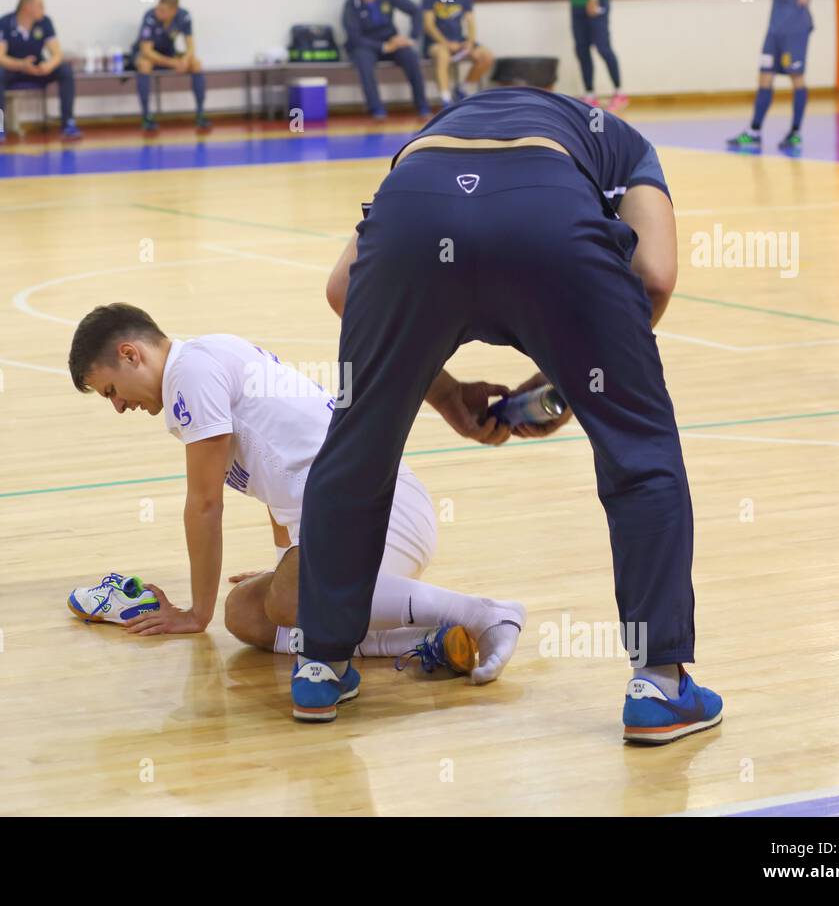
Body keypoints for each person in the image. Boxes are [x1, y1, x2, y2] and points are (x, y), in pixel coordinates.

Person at [292, 85, 724, 742]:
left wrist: (441, 392)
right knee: (640, 451)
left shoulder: (435, 133)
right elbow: (655, 278)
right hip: (545, 221)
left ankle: (320, 667)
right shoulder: (624, 141)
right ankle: (660, 685)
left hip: (418, 218)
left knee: (357, 448)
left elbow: (341, 289)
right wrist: (569, 385)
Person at [67, 304, 527, 719]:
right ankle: (430, 642)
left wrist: (195, 613)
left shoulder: (190, 377)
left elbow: (204, 504)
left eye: (110, 390)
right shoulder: (206, 358)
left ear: (130, 354)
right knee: (245, 614)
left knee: (288, 600)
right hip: (355, 514)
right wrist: (284, 560)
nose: (119, 406)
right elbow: (281, 474)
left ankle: (485, 614)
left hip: (382, 508)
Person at [727, 0, 839, 152]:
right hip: (775, 28)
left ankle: (795, 132)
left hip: (797, 27)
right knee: (765, 76)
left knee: (796, 76)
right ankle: (754, 131)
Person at [0, 0, 81, 144]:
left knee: (65, 70)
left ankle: (68, 123)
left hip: (37, 68)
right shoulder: (4, 23)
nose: (43, 8)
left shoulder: (45, 22)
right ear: (26, 6)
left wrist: (49, 65)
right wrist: (21, 64)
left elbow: (57, 53)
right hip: (13, 68)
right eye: (40, 5)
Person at [342, 0, 430, 119]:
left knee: (410, 56)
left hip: (391, 42)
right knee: (363, 61)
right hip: (365, 45)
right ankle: (376, 109)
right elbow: (354, 38)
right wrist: (383, 47)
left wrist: (411, 38)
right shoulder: (351, 4)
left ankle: (422, 106)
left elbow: (416, 10)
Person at [558, 0, 627, 111]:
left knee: (603, 47)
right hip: (577, 4)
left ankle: (619, 93)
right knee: (582, 49)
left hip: (595, 1)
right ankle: (590, 95)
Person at [132, 0, 209, 134]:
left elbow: (191, 46)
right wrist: (173, 63)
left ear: (174, 11)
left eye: (163, 10)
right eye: (158, 8)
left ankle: (200, 113)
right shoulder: (150, 17)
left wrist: (185, 60)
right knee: (144, 65)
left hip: (169, 53)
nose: (158, 12)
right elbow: (146, 50)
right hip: (150, 55)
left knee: (196, 63)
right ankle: (146, 116)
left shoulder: (183, 16)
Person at [420, 0, 493, 105]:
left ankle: (462, 89)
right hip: (437, 43)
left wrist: (470, 42)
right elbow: (428, 25)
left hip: (459, 40)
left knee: (486, 56)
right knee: (442, 55)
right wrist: (445, 43)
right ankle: (446, 100)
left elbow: (470, 22)